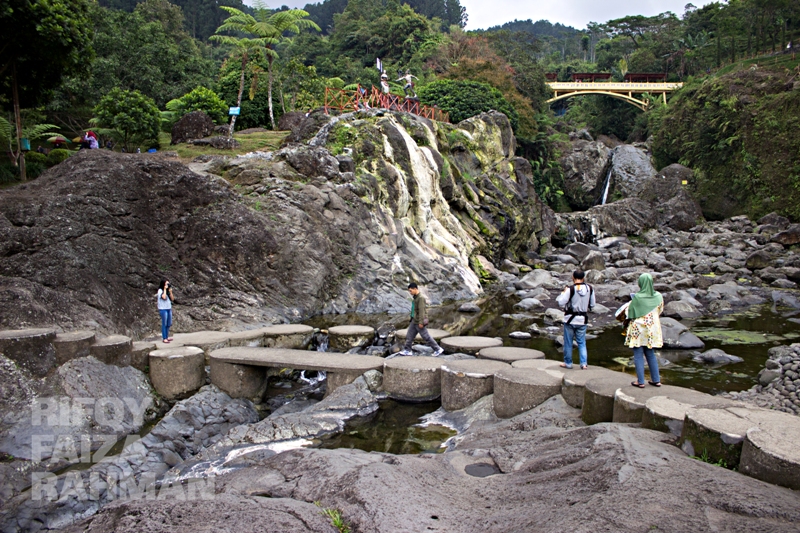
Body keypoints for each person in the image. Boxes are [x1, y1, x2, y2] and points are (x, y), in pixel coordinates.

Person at [626, 273, 664, 388]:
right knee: (650, 353)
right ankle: (656, 379)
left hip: (638, 328)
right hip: (652, 328)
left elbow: (630, 313)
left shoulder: (637, 297)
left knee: (638, 354)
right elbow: (660, 310)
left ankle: (640, 381)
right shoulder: (659, 296)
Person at [556, 270, 595, 369]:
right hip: (582, 320)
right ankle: (584, 364)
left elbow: (561, 303)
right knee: (582, 342)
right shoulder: (590, 288)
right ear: (583, 277)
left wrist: (563, 293)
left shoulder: (570, 289)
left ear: (573, 277)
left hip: (570, 319)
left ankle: (568, 363)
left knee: (568, 342)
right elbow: (592, 305)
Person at [397, 283, 444, 357]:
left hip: (418, 321)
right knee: (409, 336)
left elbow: (422, 311)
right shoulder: (416, 297)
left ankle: (438, 349)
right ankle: (407, 350)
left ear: (415, 289)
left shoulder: (421, 298)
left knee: (426, 336)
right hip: (414, 320)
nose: (410, 292)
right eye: (409, 291)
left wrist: (421, 322)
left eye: (410, 290)